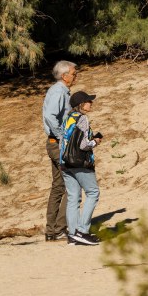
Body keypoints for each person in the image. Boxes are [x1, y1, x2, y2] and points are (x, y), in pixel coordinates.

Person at [60, 91, 104, 247]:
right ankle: (82, 231)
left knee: (73, 198)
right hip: (80, 163)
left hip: (65, 163)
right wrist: (96, 141)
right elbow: (84, 145)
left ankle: (72, 235)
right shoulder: (83, 119)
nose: (91, 103)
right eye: (88, 101)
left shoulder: (67, 118)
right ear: (81, 104)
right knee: (93, 192)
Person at [41, 60, 77, 241]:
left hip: (54, 143)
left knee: (58, 186)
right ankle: (60, 228)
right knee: (72, 185)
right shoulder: (59, 92)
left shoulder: (59, 91)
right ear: (64, 76)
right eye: (73, 73)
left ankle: (51, 230)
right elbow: (50, 116)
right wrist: (63, 136)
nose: (75, 76)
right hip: (58, 144)